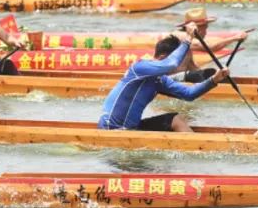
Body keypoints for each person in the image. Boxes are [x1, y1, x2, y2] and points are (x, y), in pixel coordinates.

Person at [97, 21, 226, 132]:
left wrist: (214, 80)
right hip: (111, 128)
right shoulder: (140, 68)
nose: (179, 66)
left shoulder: (160, 81)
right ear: (163, 57)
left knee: (176, 119)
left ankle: (196, 150)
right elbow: (172, 63)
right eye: (180, 61)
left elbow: (189, 94)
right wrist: (188, 39)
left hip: (131, 128)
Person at [173, 7, 249, 83]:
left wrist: (218, 75)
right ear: (197, 28)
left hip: (181, 79)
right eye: (205, 29)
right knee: (207, 74)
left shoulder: (187, 42)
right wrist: (235, 38)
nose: (206, 33)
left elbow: (193, 67)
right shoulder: (181, 36)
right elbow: (210, 47)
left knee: (212, 73)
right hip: (172, 80)